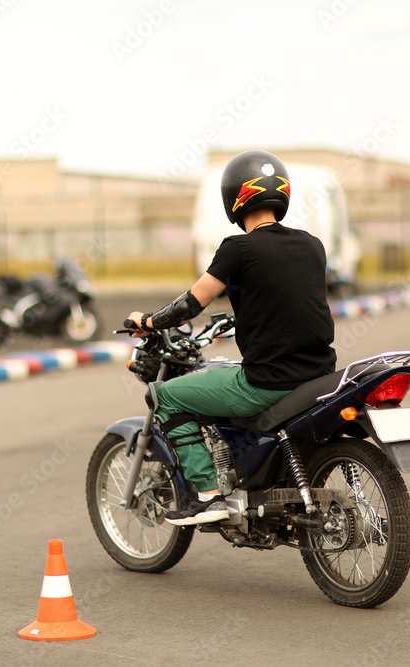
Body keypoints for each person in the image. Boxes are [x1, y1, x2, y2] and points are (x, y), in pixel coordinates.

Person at [127, 150, 336, 526]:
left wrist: (148, 320)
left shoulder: (237, 249)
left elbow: (192, 302)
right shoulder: (312, 244)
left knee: (167, 396)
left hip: (267, 383)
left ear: (234, 198)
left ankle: (208, 495)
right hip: (319, 375)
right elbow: (285, 301)